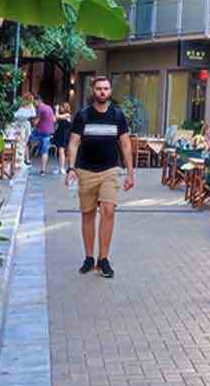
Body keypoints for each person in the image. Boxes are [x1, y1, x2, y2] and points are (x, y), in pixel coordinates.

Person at [65, 77, 134, 278]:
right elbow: (74, 143)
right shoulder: (83, 115)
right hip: (85, 170)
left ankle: (103, 258)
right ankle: (89, 257)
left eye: (106, 89)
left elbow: (125, 144)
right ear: (92, 91)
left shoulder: (117, 116)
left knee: (108, 210)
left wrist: (130, 172)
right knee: (87, 215)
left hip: (109, 170)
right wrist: (71, 168)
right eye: (99, 89)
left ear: (110, 91)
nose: (102, 92)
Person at [29, 94, 57, 175]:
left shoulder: (40, 108)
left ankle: (27, 161)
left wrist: (30, 119)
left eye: (34, 102)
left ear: (38, 101)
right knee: (45, 151)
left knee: (26, 140)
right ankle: (43, 170)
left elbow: (35, 122)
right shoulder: (49, 107)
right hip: (48, 132)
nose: (34, 104)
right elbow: (54, 120)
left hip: (41, 131)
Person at [49, 102, 73, 174]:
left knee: (61, 150)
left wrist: (56, 110)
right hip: (59, 133)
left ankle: (62, 168)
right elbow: (54, 120)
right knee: (60, 151)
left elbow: (58, 117)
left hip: (64, 134)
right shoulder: (61, 114)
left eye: (61, 107)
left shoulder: (68, 115)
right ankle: (60, 167)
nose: (60, 108)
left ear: (65, 107)